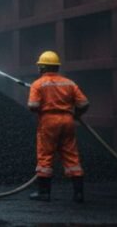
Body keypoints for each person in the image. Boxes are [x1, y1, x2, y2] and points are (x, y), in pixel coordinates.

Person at [27, 51, 89, 203]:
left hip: (49, 122)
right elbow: (84, 103)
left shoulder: (38, 84)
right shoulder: (69, 83)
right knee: (71, 155)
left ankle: (44, 193)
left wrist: (42, 105)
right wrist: (76, 114)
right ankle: (78, 194)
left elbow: (33, 105)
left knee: (45, 155)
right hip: (68, 121)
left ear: (42, 67)